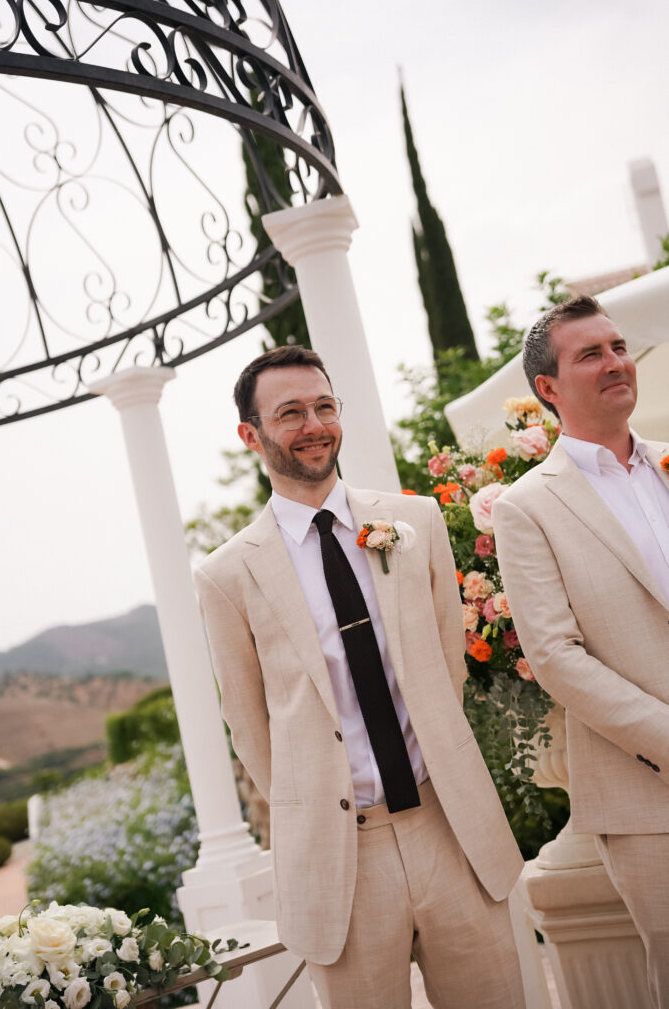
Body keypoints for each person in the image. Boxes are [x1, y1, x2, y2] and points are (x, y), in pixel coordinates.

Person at [194, 344, 525, 1009]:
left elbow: (446, 661)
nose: (313, 424)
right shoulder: (225, 575)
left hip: (446, 827)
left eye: (323, 407)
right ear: (250, 435)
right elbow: (251, 728)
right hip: (340, 855)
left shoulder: (413, 522)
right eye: (289, 413)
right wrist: (317, 801)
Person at [492, 295, 669, 1008]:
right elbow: (557, 656)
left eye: (618, 346)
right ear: (547, 388)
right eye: (590, 354)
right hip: (645, 796)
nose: (615, 363)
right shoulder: (526, 507)